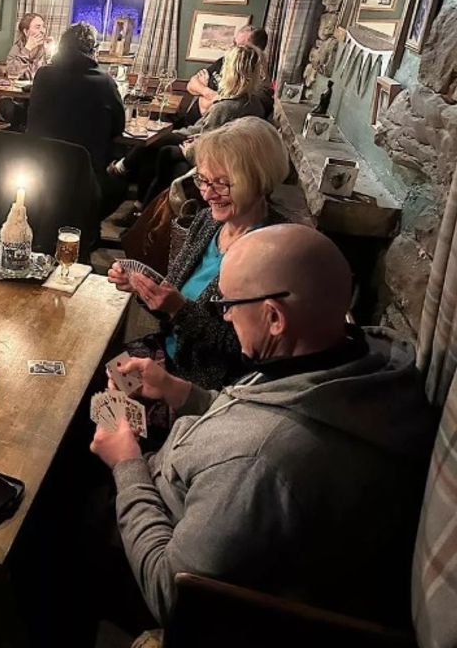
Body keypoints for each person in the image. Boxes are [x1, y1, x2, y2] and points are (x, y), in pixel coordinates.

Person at [92, 224, 439, 628]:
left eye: (228, 302)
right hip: (191, 485)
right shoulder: (356, 356)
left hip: (156, 551)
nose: (223, 313)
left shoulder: (261, 461)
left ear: (274, 317)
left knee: (52, 528)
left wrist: (127, 465)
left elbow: (173, 594)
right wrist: (178, 390)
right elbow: (261, 405)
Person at [108, 117, 288, 393]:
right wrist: (142, 289)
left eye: (222, 184)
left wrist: (179, 309)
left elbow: (247, 353)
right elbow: (172, 301)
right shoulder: (208, 221)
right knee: (93, 375)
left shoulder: (273, 252)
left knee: (107, 400)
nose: (207, 194)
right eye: (203, 180)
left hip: (204, 384)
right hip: (168, 352)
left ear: (260, 180)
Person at [113, 43, 272, 217]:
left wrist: (189, 148)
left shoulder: (227, 106)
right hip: (207, 144)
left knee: (162, 146)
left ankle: (142, 204)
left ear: (232, 71)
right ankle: (141, 206)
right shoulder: (252, 102)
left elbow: (208, 140)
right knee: (160, 140)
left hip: (210, 155)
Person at [27, 21, 126, 221]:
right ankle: (89, 227)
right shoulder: (105, 83)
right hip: (84, 173)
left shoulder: (43, 75)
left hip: (39, 168)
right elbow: (119, 127)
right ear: (93, 50)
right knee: (121, 180)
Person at [183, 25, 269, 123]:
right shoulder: (224, 61)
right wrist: (211, 94)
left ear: (256, 52)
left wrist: (203, 95)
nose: (232, 48)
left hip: (202, 130)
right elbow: (191, 85)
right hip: (187, 121)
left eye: (240, 47)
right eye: (234, 43)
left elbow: (215, 110)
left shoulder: (258, 84)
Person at [5, 12, 52, 80]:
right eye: (38, 27)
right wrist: (27, 49)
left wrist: (50, 52)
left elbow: (51, 74)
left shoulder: (46, 48)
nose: (43, 31)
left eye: (43, 27)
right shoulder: (16, 49)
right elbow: (13, 73)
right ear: (26, 32)